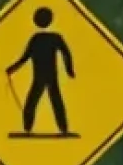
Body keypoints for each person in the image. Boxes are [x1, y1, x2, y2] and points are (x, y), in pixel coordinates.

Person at [7, 8, 75, 136]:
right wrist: (13, 68)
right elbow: (66, 53)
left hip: (44, 76)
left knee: (41, 101)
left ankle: (60, 129)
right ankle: (33, 129)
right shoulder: (44, 38)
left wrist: (69, 69)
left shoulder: (40, 38)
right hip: (45, 76)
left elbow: (65, 53)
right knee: (44, 101)